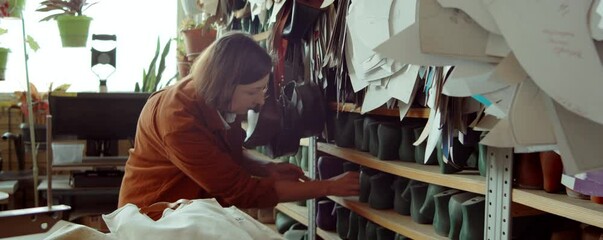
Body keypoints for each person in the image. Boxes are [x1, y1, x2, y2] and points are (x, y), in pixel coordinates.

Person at [118, 32, 359, 220]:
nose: (260, 100)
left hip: (189, 210)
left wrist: (267, 167)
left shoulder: (213, 97)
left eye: (263, 90)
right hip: (153, 219)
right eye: (252, 91)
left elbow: (221, 153)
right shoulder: (178, 119)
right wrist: (328, 186)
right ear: (225, 84)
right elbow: (242, 191)